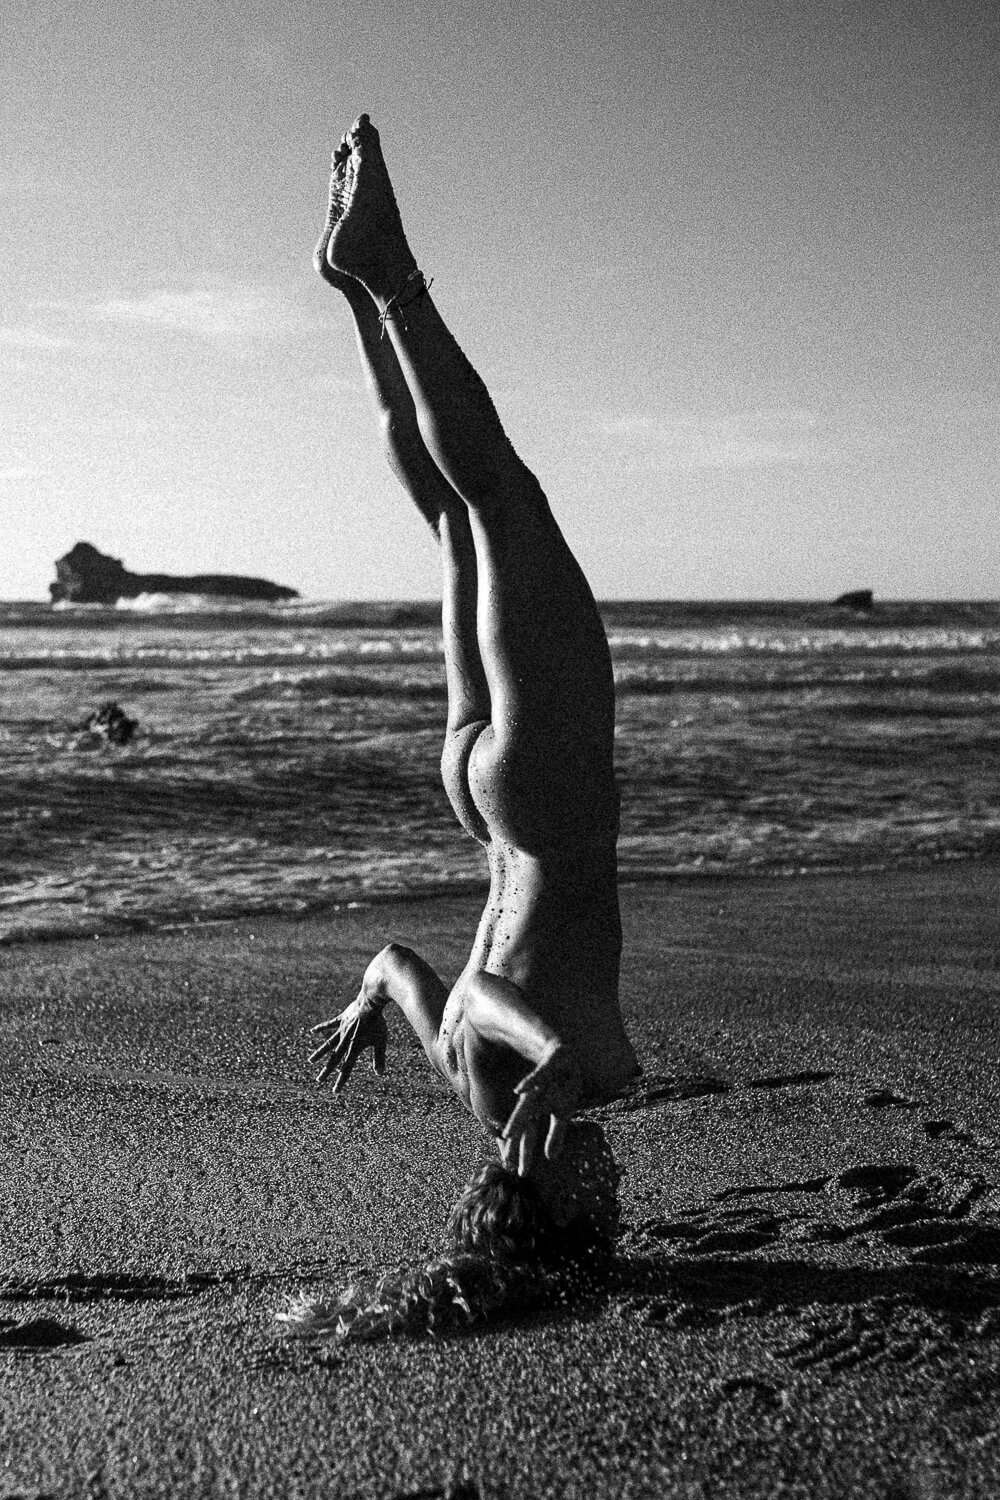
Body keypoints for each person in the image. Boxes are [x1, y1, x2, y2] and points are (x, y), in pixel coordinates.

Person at [284, 116, 640, 1339]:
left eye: (596, 1209)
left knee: (500, 493)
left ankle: (388, 278)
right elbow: (402, 967)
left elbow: (491, 990)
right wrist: (363, 1004)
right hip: (483, 793)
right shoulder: (458, 1083)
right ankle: (355, 292)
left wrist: (551, 1058)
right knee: (452, 520)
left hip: (539, 800)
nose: (615, 1193)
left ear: (538, 1189)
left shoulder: (528, 1089)